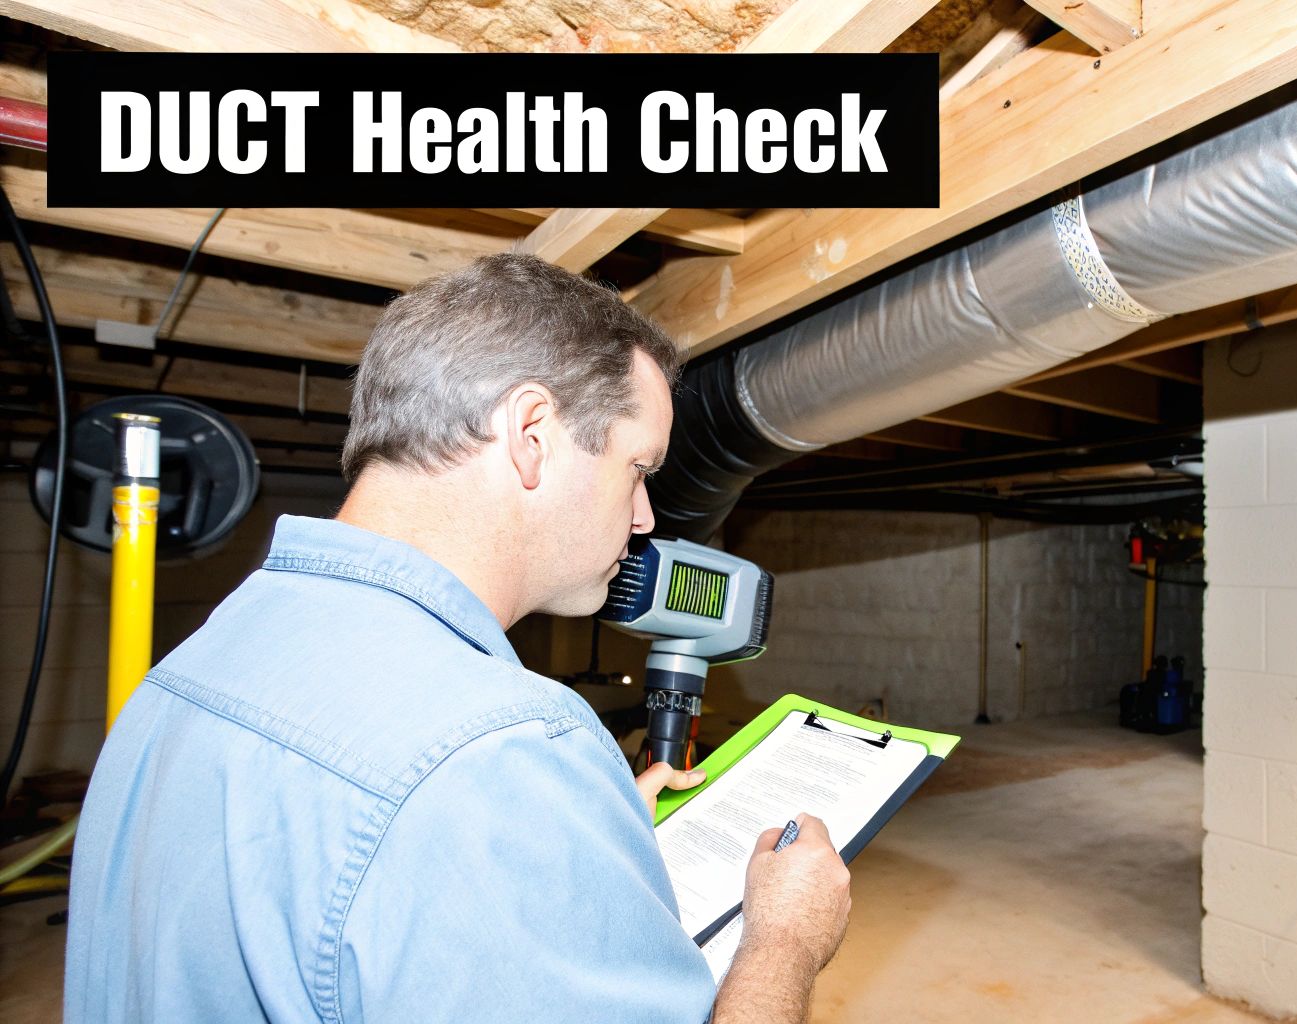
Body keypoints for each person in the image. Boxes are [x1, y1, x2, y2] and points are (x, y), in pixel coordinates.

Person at [65, 254, 851, 1023]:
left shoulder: (193, 665)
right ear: (532, 433)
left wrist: (567, 840)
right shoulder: (500, 754)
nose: (644, 517)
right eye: (638, 468)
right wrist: (781, 939)